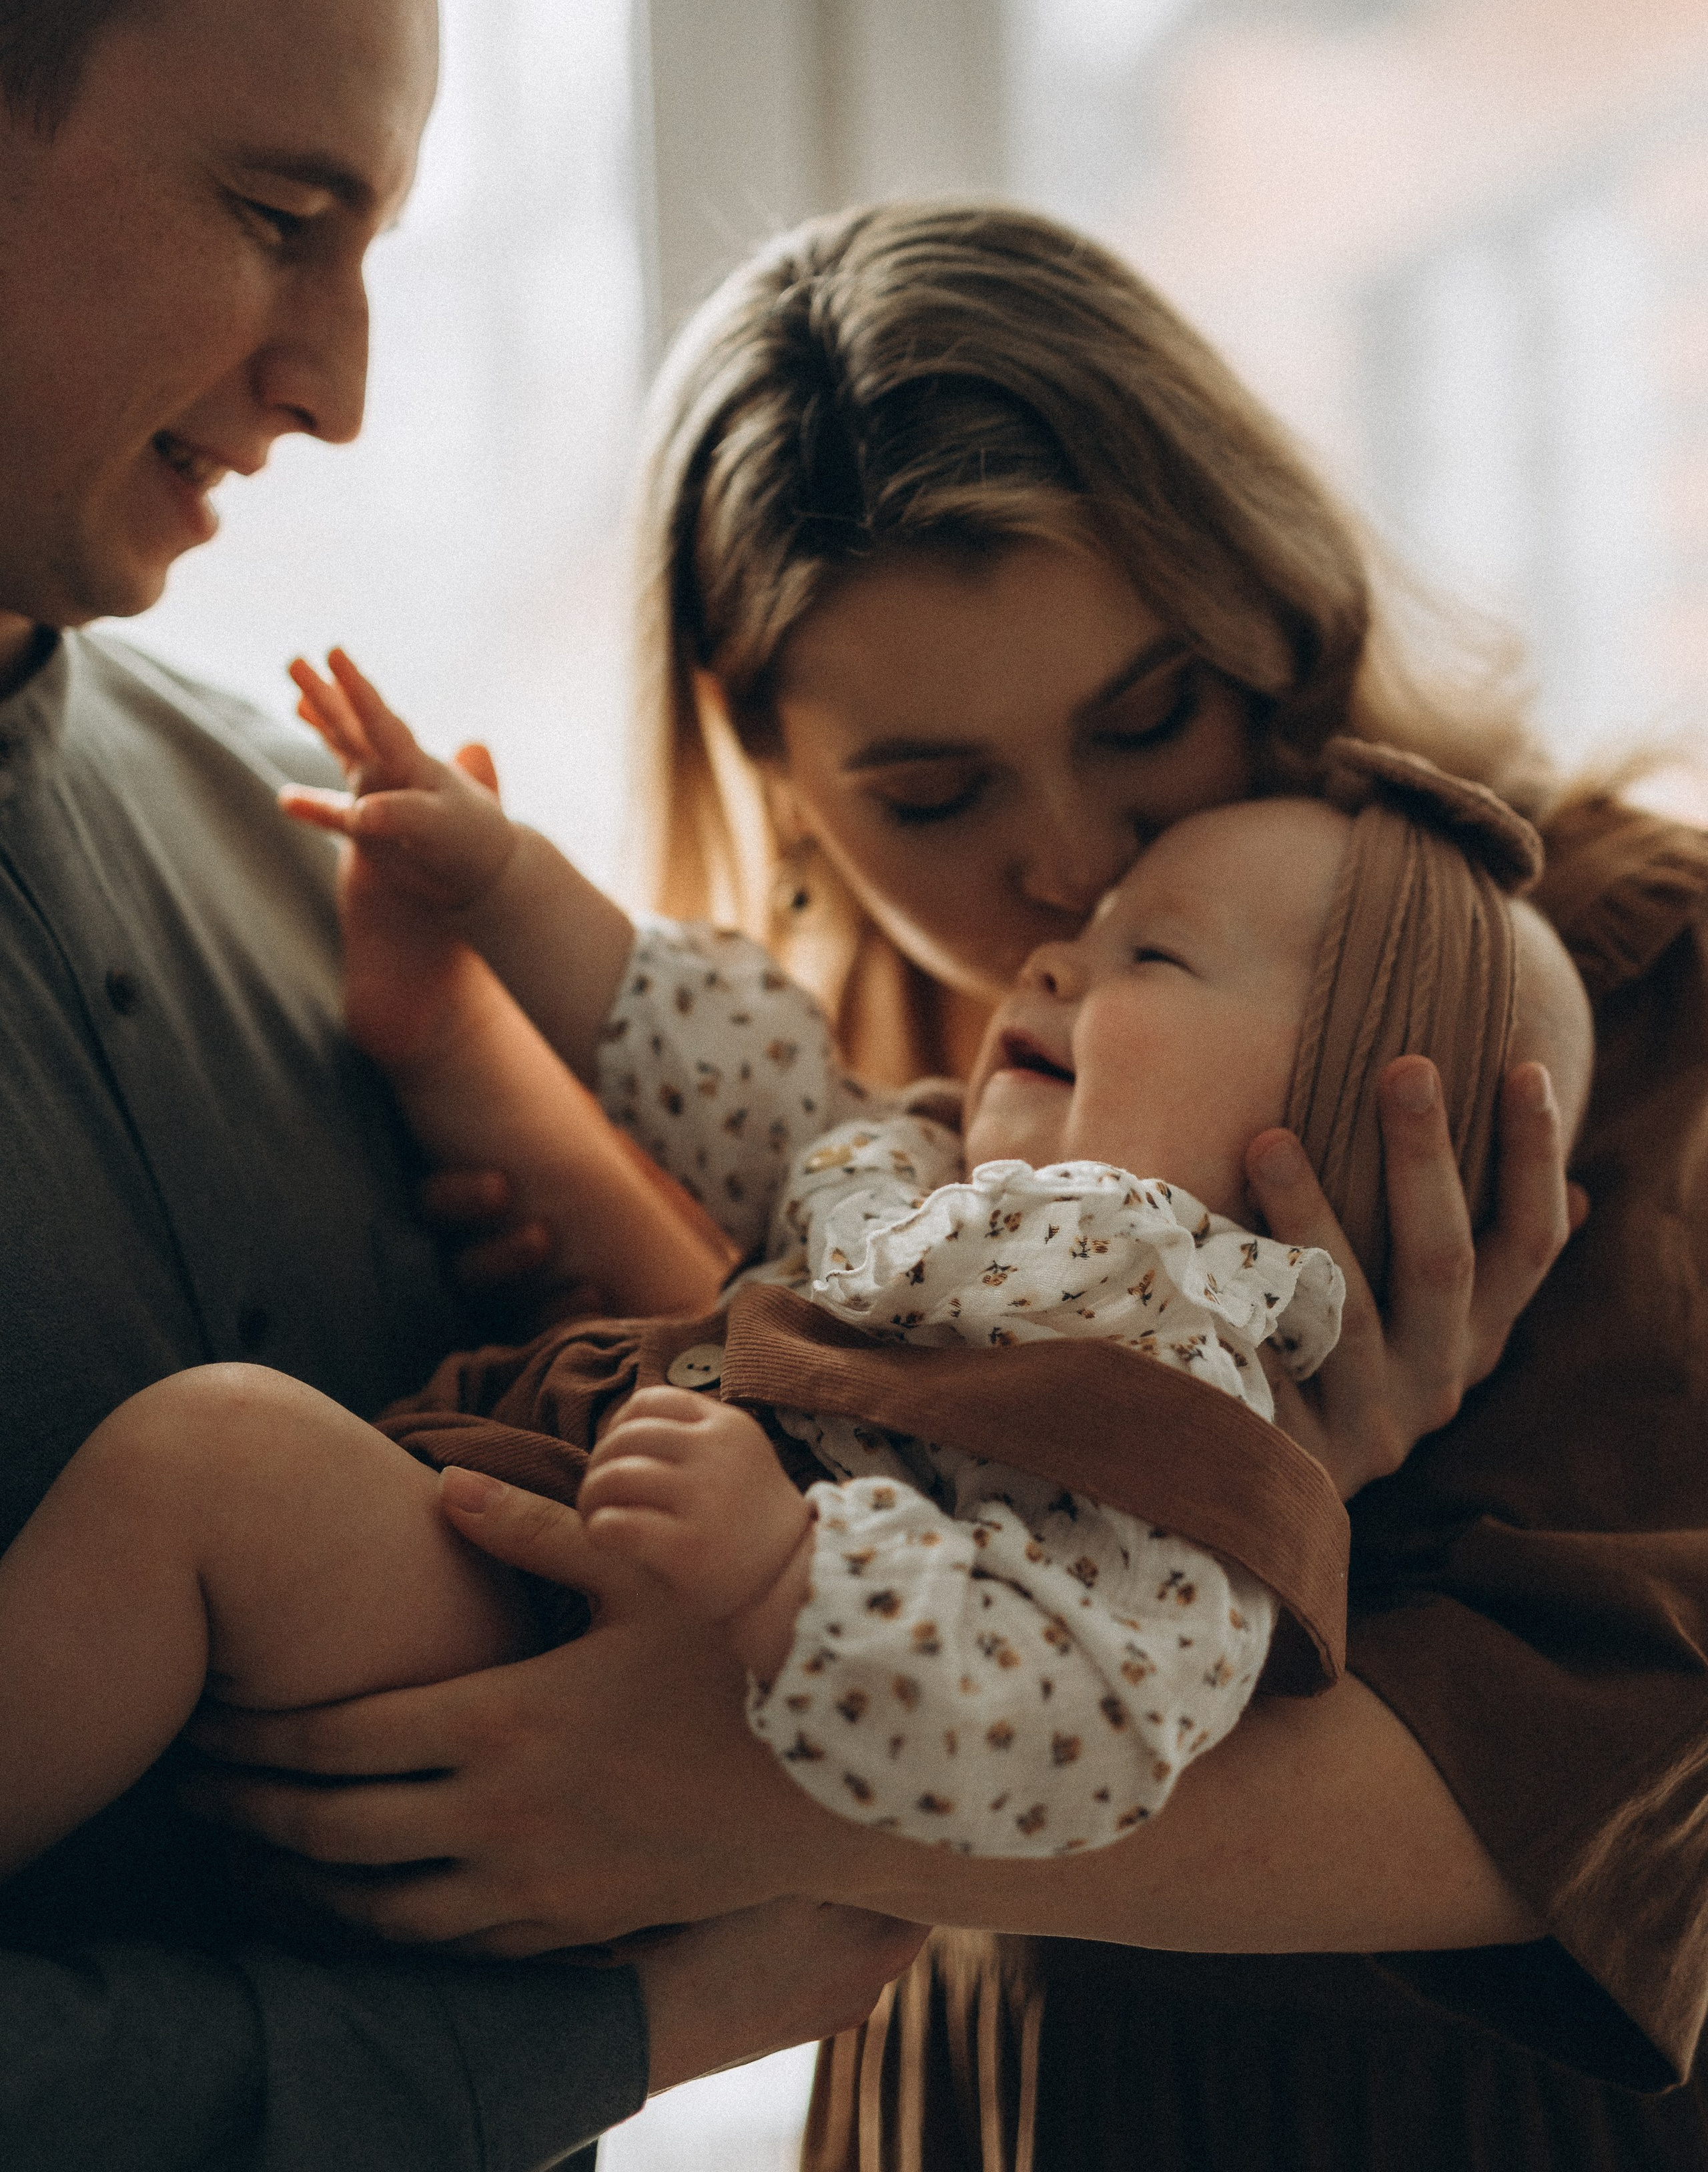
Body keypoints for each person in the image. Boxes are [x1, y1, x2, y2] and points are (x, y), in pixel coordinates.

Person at [189, 203, 1708, 2172]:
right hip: (983, 2094)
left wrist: (757, 1799)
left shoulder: (1627, 992)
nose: (1067, 870)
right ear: (781, 778)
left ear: (1278, 602)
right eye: (932, 797)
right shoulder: (957, 1046)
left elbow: (1642, 1770)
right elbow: (798, 1377)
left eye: (1146, 716)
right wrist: (449, 1041)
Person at [0, 0, 921, 2167]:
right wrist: (614, 2026)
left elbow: (698, 1372)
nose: (342, 380)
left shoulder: (325, 859)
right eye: (278, 215)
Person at [0, 669, 1591, 1892]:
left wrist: (780, 1580)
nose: (1052, 956)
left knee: (210, 1465)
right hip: (537, 1546)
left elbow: (1075, 1723)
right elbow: (701, 1050)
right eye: (1093, 933)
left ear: (1328, 1134)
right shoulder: (926, 1183)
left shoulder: (1183, 1414)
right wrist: (498, 880)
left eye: (1150, 959)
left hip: (594, 1658)